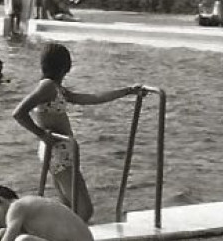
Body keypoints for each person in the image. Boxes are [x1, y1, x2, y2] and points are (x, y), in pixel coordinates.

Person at [13, 43, 143, 222]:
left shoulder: (56, 89)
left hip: (59, 152)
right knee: (84, 210)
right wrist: (41, 134)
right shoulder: (48, 87)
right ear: (63, 67)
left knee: (69, 208)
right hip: (57, 152)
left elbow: (92, 99)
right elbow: (19, 113)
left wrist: (127, 91)